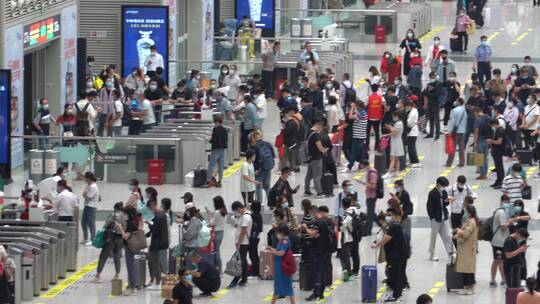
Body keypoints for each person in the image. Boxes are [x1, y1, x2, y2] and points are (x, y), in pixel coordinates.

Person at [370, 208, 408, 302]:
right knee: (396, 274)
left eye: (389, 215)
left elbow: (387, 238)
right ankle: (396, 293)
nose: (388, 217)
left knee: (395, 274)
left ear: (394, 216)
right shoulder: (396, 225)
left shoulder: (394, 227)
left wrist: (376, 245)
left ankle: (396, 295)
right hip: (401, 254)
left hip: (396, 255)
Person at [91, 202, 126, 283]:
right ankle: (117, 274)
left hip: (110, 238)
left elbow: (106, 225)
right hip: (120, 238)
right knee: (117, 256)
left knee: (103, 256)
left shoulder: (113, 215)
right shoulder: (125, 216)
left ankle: (98, 275)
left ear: (115, 208)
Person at [304, 206, 333, 301]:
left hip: (317, 251)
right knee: (322, 271)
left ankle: (316, 293)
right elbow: (317, 234)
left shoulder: (318, 222)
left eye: (312, 213)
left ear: (315, 212)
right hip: (324, 250)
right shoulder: (325, 222)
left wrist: (306, 229)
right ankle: (320, 293)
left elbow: (312, 234)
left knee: (317, 273)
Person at [265, 223, 296, 304]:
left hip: (283, 266)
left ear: (282, 232)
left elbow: (281, 253)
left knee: (286, 286)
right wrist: (271, 248)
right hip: (279, 266)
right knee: (278, 286)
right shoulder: (282, 240)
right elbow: (278, 250)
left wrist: (272, 251)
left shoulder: (285, 240)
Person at [426, 176, 455, 261]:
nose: (444, 188)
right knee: (433, 237)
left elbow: (445, 204)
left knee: (447, 235)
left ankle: (452, 252)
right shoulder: (432, 193)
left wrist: (447, 201)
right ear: (438, 184)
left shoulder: (444, 192)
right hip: (436, 219)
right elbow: (429, 207)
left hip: (444, 217)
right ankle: (431, 254)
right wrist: (433, 217)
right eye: (443, 186)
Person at [453, 204, 479, 295]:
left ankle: (468, 288)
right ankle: (467, 287)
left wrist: (458, 231)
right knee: (467, 268)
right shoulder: (470, 221)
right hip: (466, 249)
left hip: (467, 249)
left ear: (469, 212)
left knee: (467, 269)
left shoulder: (471, 222)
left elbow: (465, 234)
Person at [115, 205, 141, 296]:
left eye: (124, 213)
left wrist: (120, 229)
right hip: (132, 247)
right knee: (131, 267)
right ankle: (131, 286)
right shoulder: (134, 221)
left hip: (130, 247)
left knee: (131, 267)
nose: (123, 215)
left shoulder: (131, 223)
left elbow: (126, 236)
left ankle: (132, 288)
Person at [490, 195, 514, 287]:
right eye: (506, 202)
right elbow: (503, 226)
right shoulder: (501, 212)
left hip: (500, 241)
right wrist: (511, 222)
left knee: (499, 260)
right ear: (502, 201)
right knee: (498, 260)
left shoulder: (501, 211)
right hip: (498, 242)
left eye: (508, 202)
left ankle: (502, 280)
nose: (507, 204)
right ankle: (495, 280)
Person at [145, 199, 169, 290]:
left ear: (153, 206)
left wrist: (149, 223)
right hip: (161, 241)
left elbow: (155, 230)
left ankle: (158, 282)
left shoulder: (158, 217)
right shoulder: (162, 215)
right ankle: (157, 281)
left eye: (150, 209)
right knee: (156, 261)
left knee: (155, 262)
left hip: (156, 242)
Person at [229, 201, 252, 288]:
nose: (236, 213)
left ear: (238, 208)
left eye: (235, 211)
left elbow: (243, 231)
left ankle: (237, 279)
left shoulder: (246, 216)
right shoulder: (244, 215)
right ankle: (244, 278)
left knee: (240, 262)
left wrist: (239, 243)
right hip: (242, 242)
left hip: (243, 242)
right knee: (243, 260)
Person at [304, 119, 328, 198]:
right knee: (317, 176)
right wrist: (324, 150)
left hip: (310, 157)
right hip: (317, 158)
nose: (320, 131)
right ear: (319, 126)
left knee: (309, 175)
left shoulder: (308, 132)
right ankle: (319, 192)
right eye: (320, 129)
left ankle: (307, 190)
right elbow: (320, 147)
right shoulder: (315, 135)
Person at [250, 130, 275, 203]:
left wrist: (256, 170)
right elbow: (273, 155)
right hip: (267, 167)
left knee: (258, 187)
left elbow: (254, 160)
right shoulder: (268, 144)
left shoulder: (255, 147)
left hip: (259, 170)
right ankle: (271, 204)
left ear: (254, 138)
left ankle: (259, 203)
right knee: (267, 186)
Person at [356, 159, 378, 234]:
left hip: (372, 196)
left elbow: (373, 186)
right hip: (369, 195)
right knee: (371, 212)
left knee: (370, 214)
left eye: (361, 165)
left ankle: (368, 230)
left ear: (364, 164)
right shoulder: (369, 171)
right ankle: (379, 223)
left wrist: (363, 182)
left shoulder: (372, 173)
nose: (360, 166)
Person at [206, 196, 227, 273]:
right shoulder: (223, 211)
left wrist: (209, 214)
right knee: (217, 250)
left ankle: (219, 269)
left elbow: (212, 223)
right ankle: (219, 269)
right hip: (221, 232)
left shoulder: (217, 212)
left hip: (217, 233)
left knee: (216, 251)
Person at [205, 115, 228, 187]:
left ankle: (208, 180)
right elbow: (226, 139)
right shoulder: (225, 129)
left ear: (217, 122)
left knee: (211, 165)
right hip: (222, 149)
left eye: (215, 122)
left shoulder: (215, 129)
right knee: (221, 166)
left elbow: (213, 140)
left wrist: (209, 140)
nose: (214, 124)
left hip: (215, 149)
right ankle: (220, 181)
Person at [345, 100, 368, 172]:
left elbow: (350, 116)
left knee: (353, 153)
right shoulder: (363, 112)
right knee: (361, 153)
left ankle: (350, 167)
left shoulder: (361, 113)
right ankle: (362, 167)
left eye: (355, 105)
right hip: (362, 136)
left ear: (358, 106)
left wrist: (352, 108)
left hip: (358, 136)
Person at [339, 197, 357, 281]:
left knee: (345, 255)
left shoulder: (346, 215)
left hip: (347, 237)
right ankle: (353, 271)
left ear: (342, 205)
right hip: (355, 237)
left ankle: (348, 272)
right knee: (354, 253)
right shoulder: (355, 210)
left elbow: (344, 226)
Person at [446, 98, 467, 167]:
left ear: (459, 102)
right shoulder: (464, 111)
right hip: (462, 131)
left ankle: (449, 163)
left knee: (452, 147)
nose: (455, 102)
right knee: (461, 147)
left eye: (457, 101)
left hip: (455, 132)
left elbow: (452, 122)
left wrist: (449, 131)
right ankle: (462, 162)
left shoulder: (454, 110)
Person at [473, 106, 492, 180]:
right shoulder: (488, 117)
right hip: (487, 140)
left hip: (480, 140)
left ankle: (482, 174)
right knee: (485, 158)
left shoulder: (478, 119)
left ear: (476, 112)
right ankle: (485, 173)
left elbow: (476, 132)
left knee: (479, 158)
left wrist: (474, 143)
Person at [81, 172, 99, 245]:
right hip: (87, 206)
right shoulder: (89, 185)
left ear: (88, 178)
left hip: (92, 207)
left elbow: (87, 197)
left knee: (91, 223)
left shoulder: (93, 186)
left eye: (85, 178)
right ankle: (85, 238)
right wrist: (85, 195)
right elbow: (83, 194)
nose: (84, 179)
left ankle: (93, 239)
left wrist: (85, 195)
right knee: (83, 222)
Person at [487, 118, 506, 189]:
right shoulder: (497, 130)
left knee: (499, 167)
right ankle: (498, 181)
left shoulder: (500, 131)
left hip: (498, 151)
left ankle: (501, 182)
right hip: (496, 151)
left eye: (492, 125)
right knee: (497, 167)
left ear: (495, 124)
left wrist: (491, 141)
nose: (492, 127)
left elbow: (499, 142)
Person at [423, 72, 442, 140]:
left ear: (435, 77)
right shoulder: (429, 84)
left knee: (436, 119)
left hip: (436, 103)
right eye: (430, 77)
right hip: (430, 103)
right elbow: (425, 93)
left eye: (433, 77)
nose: (432, 78)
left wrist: (429, 93)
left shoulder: (438, 84)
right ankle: (431, 133)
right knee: (431, 119)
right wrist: (428, 93)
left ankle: (437, 134)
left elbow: (437, 94)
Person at [385, 112, 404, 178]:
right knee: (396, 158)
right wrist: (386, 135)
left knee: (392, 158)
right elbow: (394, 133)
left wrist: (390, 127)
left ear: (397, 116)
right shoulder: (398, 123)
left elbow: (395, 134)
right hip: (397, 142)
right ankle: (397, 172)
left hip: (396, 142)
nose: (393, 118)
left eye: (394, 116)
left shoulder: (398, 124)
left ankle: (389, 173)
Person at [367, 84, 384, 149]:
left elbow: (365, 105)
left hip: (370, 117)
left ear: (371, 89)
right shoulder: (380, 97)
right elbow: (383, 106)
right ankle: (377, 146)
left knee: (367, 132)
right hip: (378, 117)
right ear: (377, 89)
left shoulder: (369, 97)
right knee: (377, 132)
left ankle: (367, 146)